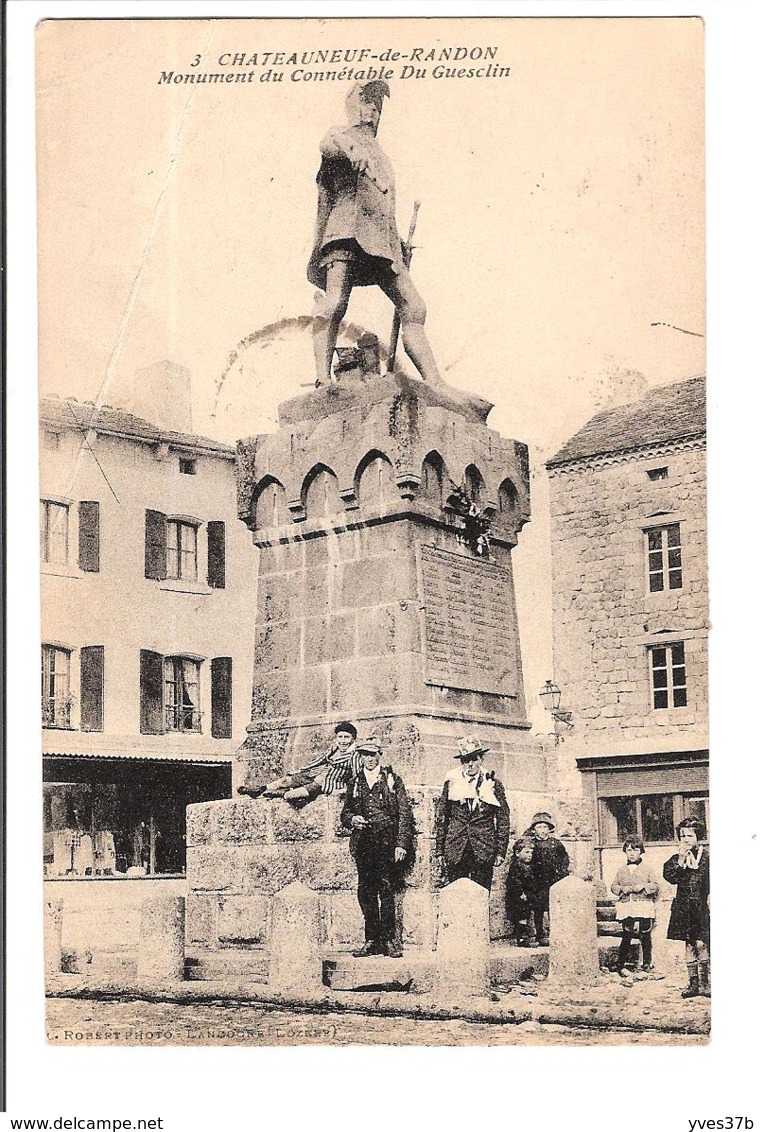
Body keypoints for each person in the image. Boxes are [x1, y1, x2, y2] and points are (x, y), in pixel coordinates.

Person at [308, 80, 444, 388]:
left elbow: (382, 208)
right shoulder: (342, 136)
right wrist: (350, 148)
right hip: (345, 231)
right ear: (353, 104)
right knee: (334, 302)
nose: (373, 109)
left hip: (382, 242)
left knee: (414, 307)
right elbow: (329, 142)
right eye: (367, 102)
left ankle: (435, 381)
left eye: (377, 105)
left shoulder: (382, 155)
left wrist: (397, 243)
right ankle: (322, 378)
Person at [341, 737, 414, 958]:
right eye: (365, 755)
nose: (369, 759)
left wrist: (401, 843)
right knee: (366, 891)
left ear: (379, 756)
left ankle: (389, 940)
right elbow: (345, 812)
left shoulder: (392, 780)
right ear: (360, 757)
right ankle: (371, 939)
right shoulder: (355, 782)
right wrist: (352, 819)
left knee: (387, 890)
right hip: (364, 844)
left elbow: (404, 814)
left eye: (373, 755)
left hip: (387, 842)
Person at [435, 737, 510, 892]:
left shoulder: (493, 784)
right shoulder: (452, 782)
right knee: (456, 895)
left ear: (481, 759)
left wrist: (500, 851)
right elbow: (443, 818)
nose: (469, 765)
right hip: (456, 848)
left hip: (483, 848)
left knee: (481, 894)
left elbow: (503, 819)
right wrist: (440, 851)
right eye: (465, 760)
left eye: (474, 759)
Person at [238, 722, 360, 806]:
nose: (343, 741)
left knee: (291, 795)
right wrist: (301, 770)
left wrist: (345, 790)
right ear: (336, 738)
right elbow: (319, 761)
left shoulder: (354, 755)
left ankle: (282, 794)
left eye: (346, 737)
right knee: (287, 780)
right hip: (313, 776)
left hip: (325, 785)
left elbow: (357, 776)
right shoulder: (334, 749)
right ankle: (259, 789)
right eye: (340, 737)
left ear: (353, 739)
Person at [663, 817, 710, 998]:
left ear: (698, 836)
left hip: (701, 906)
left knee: (702, 943)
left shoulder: (706, 858)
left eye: (690, 835)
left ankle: (705, 984)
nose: (686, 839)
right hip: (683, 907)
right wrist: (682, 857)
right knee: (689, 944)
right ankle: (693, 984)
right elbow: (670, 877)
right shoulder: (677, 859)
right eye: (682, 836)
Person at [610, 836, 660, 974]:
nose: (632, 853)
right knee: (627, 934)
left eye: (635, 850)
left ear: (641, 852)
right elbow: (613, 886)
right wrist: (621, 889)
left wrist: (643, 886)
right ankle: (620, 963)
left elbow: (655, 886)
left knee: (645, 934)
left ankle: (646, 963)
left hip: (643, 905)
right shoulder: (621, 870)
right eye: (629, 850)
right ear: (625, 852)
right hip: (627, 905)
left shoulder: (647, 869)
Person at [525, 811, 569, 945]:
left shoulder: (556, 844)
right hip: (538, 881)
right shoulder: (531, 844)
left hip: (553, 879)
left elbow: (564, 860)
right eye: (539, 827)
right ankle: (540, 934)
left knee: (553, 907)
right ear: (534, 829)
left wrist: (561, 874)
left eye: (545, 827)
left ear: (549, 829)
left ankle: (556, 933)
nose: (542, 830)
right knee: (538, 908)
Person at [505, 836, 543, 946]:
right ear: (517, 853)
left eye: (531, 853)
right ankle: (522, 939)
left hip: (529, 895)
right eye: (526, 852)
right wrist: (520, 893)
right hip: (519, 897)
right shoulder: (516, 866)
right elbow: (514, 882)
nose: (529, 855)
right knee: (522, 916)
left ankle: (540, 935)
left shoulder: (530, 866)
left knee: (538, 909)